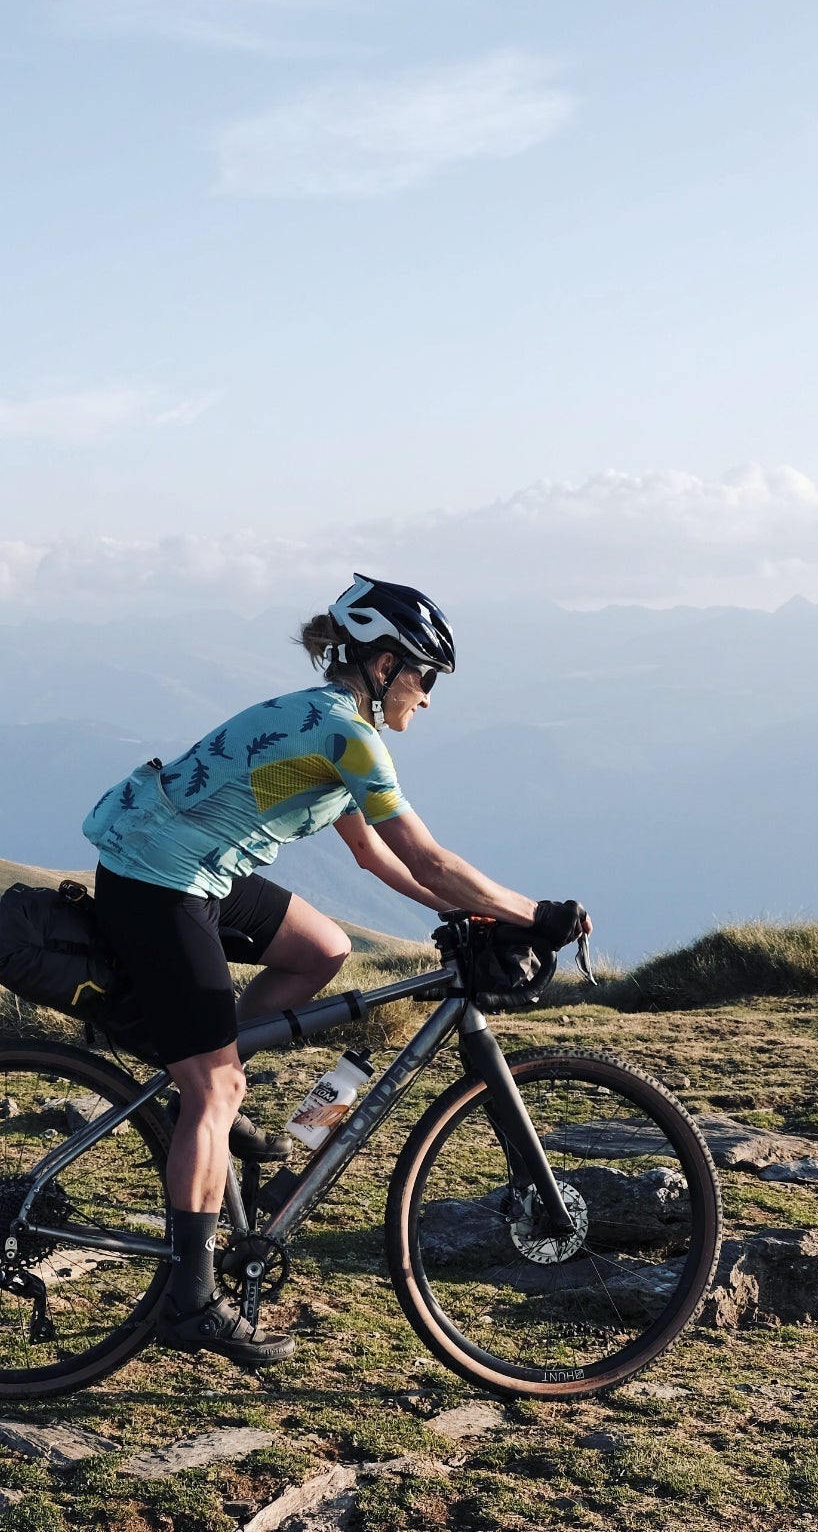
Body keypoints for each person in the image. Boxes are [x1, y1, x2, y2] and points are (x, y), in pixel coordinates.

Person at [82, 574, 590, 1368]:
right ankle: (190, 1302)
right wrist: (535, 913)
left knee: (323, 949)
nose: (427, 699)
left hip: (197, 867)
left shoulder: (331, 724)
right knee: (217, 1091)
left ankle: (204, 1070)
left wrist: (470, 914)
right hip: (158, 879)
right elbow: (428, 855)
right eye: (426, 678)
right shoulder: (344, 734)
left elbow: (371, 852)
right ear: (386, 663)